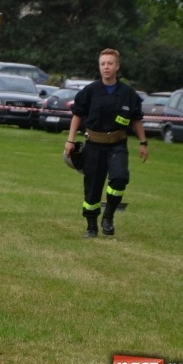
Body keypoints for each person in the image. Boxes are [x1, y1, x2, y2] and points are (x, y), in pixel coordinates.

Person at [65, 48, 148, 238]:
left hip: (117, 145)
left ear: (117, 66)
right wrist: (70, 140)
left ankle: (108, 216)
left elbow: (136, 119)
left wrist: (143, 143)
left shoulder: (128, 94)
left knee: (120, 178)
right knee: (92, 188)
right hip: (93, 145)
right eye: (103, 64)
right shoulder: (90, 91)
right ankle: (91, 225)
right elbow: (77, 115)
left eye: (110, 63)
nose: (106, 67)